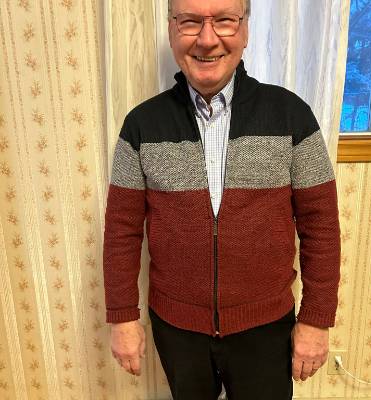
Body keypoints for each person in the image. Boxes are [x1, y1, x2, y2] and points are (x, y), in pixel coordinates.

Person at [102, 0, 341, 398]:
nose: (207, 39)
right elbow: (120, 232)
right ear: (172, 29)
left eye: (225, 21)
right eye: (190, 21)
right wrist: (123, 317)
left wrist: (316, 320)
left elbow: (323, 228)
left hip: (266, 328)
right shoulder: (141, 125)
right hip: (177, 330)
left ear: (245, 30)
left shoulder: (292, 116)